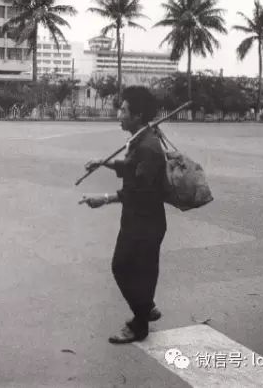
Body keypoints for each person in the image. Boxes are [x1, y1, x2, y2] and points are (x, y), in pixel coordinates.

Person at [80, 86, 167, 344]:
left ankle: (140, 322)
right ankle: (146, 307)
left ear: (138, 115)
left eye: (124, 109)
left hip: (145, 222)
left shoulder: (148, 147)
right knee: (142, 270)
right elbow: (130, 168)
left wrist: (103, 199)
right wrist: (102, 161)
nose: (119, 114)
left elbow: (138, 192)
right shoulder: (141, 139)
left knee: (122, 267)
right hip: (139, 219)